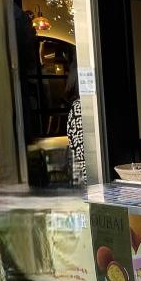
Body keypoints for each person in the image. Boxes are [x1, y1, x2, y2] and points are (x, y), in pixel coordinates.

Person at [65, 54, 86, 186]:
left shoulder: (77, 107)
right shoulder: (80, 108)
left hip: (85, 180)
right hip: (91, 180)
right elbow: (82, 153)